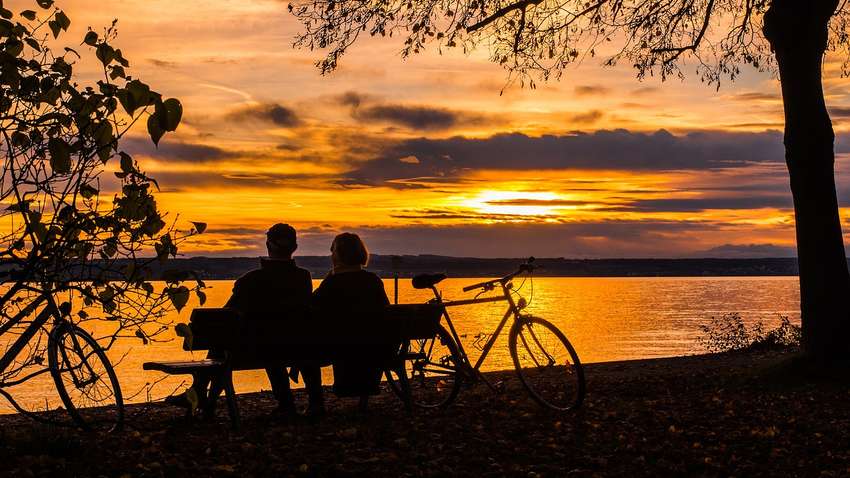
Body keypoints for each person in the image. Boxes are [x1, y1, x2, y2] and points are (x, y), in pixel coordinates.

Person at [168, 223, 322, 418]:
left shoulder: (251, 280)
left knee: (222, 339)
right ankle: (204, 397)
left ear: (269, 245)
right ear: (295, 247)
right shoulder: (303, 278)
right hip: (296, 346)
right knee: (254, 341)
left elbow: (225, 315)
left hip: (255, 350)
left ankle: (200, 393)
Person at [312, 232, 390, 412]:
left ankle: (315, 403)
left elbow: (312, 305)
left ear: (338, 254)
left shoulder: (333, 283)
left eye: (332, 251)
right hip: (376, 346)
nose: (331, 255)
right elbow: (386, 312)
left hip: (343, 345)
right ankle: (364, 398)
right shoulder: (373, 281)